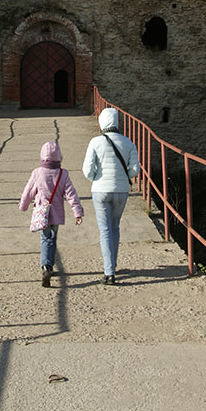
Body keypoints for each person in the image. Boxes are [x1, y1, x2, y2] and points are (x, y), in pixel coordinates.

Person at [82, 107, 140, 285]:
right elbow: (135, 169)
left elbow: (87, 170)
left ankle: (109, 272)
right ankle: (112, 265)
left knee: (105, 230)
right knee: (115, 227)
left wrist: (95, 179)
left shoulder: (95, 142)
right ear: (116, 122)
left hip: (100, 190)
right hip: (122, 190)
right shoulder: (129, 143)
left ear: (101, 122)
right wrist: (124, 178)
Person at [19, 141, 83, 287]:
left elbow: (28, 191)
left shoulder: (37, 172)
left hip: (42, 212)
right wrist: (77, 212)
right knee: (52, 238)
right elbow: (71, 194)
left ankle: (46, 266)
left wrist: (23, 206)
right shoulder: (63, 173)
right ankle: (50, 264)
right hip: (57, 213)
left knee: (45, 238)